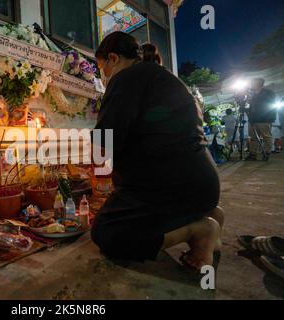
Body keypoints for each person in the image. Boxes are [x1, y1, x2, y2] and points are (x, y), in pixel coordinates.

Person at [91, 32, 224, 270]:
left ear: (113, 58)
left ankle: (199, 230)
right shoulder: (165, 78)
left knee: (106, 232)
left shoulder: (126, 78)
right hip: (205, 186)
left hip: (171, 187)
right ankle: (209, 213)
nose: (104, 77)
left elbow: (104, 142)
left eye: (103, 69)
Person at [245, 78, 276, 161]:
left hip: (265, 118)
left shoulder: (268, 92)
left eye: (252, 83)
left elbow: (267, 102)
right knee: (252, 137)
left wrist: (252, 98)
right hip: (253, 119)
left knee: (266, 136)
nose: (251, 85)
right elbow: (250, 105)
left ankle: (267, 153)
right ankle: (253, 154)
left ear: (258, 83)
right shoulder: (253, 94)